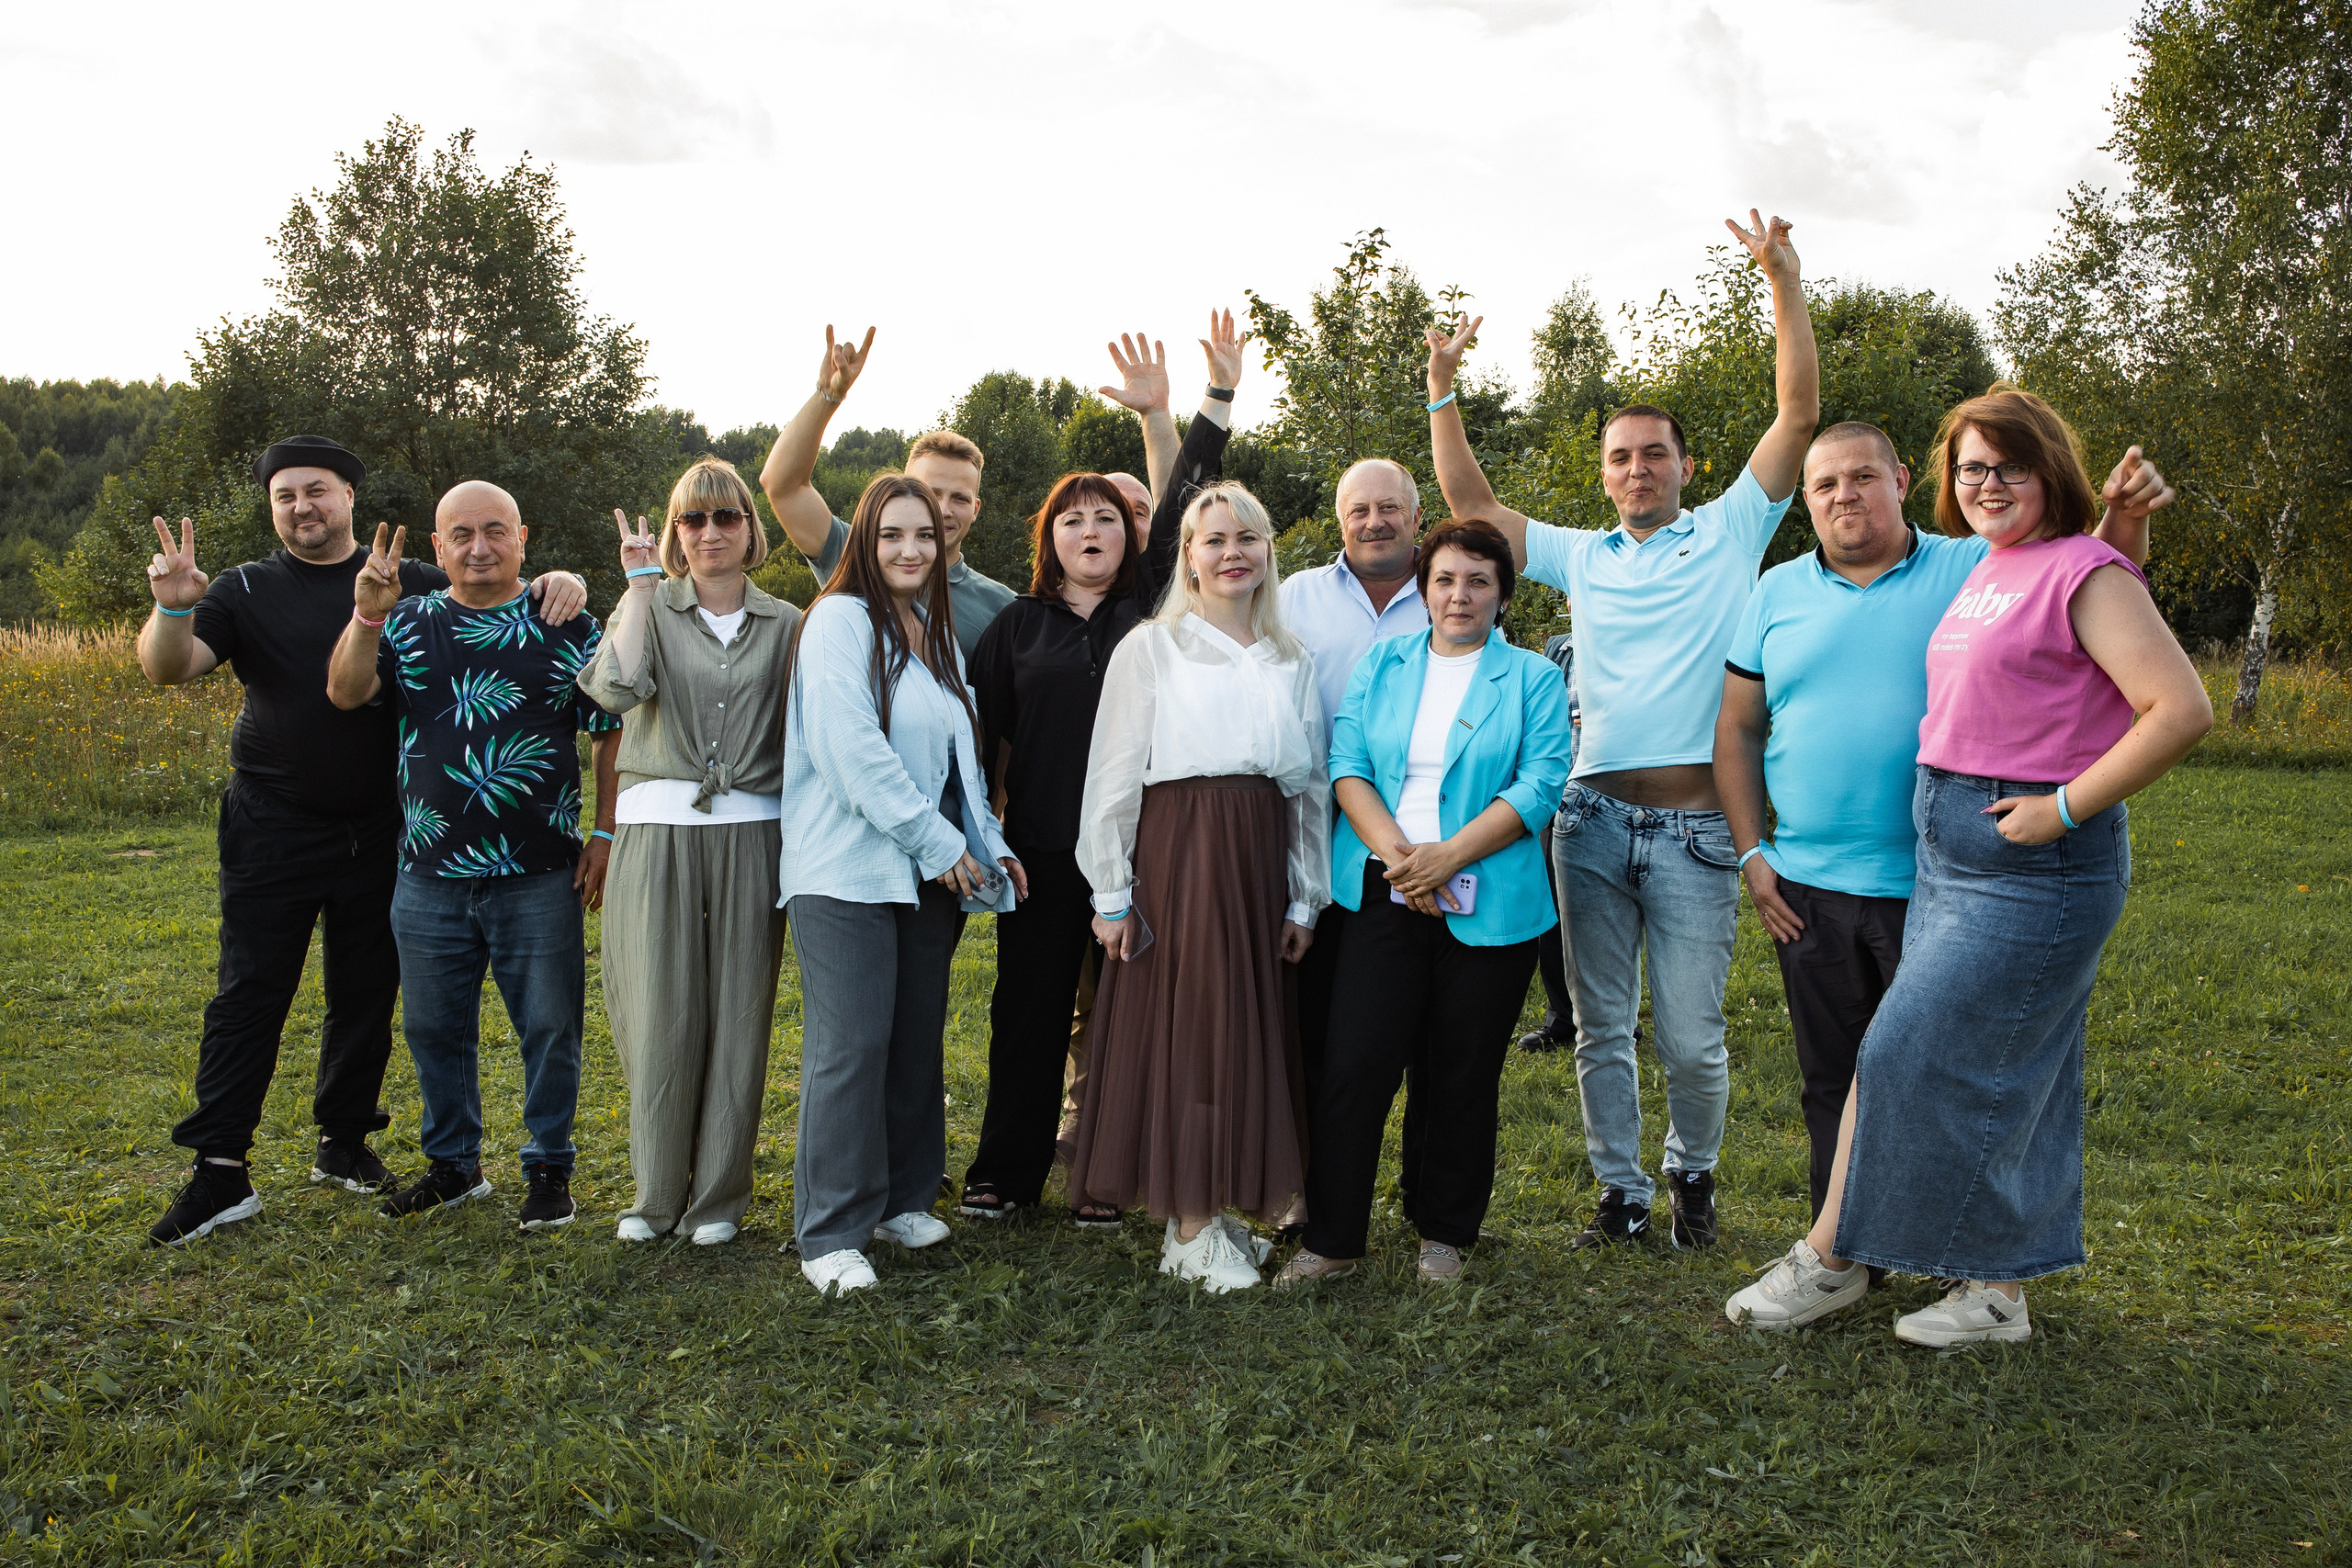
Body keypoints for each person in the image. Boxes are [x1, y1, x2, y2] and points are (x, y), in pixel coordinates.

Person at [1725, 388, 2210, 1343]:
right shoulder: (1994, 563)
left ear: (2049, 469)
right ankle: (1986, 1287)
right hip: (1950, 849)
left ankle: (1835, 1260)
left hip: (2031, 857)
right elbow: (2066, 626)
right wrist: (2121, 526)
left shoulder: (2072, 564)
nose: (1988, 483)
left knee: (1899, 1050)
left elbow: (2178, 707)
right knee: (1988, 1064)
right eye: (1973, 467)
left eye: (2009, 466)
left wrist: (2062, 807)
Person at [1427, 210, 1821, 1253]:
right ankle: (1621, 1193)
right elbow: (1472, 504)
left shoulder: (1731, 529)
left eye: (1654, 454)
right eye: (1620, 458)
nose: (1637, 469)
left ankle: (1692, 1174)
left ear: (1685, 465)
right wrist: (1442, 388)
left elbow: (1797, 412)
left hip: (1698, 831)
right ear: (1603, 475)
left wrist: (1781, 280)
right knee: (1600, 1028)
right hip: (1590, 825)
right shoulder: (1582, 554)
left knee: (1691, 1036)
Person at [135, 434, 586, 1247]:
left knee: (370, 994)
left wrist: (565, 580)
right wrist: (172, 606)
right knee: (252, 991)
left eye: (317, 489)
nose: (301, 506)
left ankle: (345, 1141)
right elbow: (170, 668)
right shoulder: (248, 587)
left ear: (349, 496)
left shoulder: (414, 577)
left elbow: (497, 581)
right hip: (277, 825)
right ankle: (221, 1167)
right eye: (285, 495)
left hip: (385, 830)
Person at [960, 314, 1247, 1224]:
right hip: (1044, 853)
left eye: (1107, 518)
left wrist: (1209, 400)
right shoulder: (1016, 628)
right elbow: (979, 744)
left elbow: (1189, 494)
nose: (1091, 530)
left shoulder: (1155, 610)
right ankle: (1005, 1172)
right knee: (1030, 1015)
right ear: (1049, 538)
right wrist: (986, 836)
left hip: (1145, 850)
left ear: (1132, 537)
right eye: (1071, 519)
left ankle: (1111, 1178)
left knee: (1132, 1018)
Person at [1275, 520, 1573, 1288]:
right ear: (1424, 588)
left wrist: (1450, 856)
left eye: (1478, 580)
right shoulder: (1385, 663)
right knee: (1355, 1065)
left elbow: (1541, 781)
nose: (1459, 594)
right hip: (1382, 891)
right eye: (1444, 579)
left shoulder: (1533, 677)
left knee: (1461, 1073)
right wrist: (1404, 861)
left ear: (1502, 594)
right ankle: (1334, 1237)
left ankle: (1443, 1230)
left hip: (1490, 900)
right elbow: (1346, 765)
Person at [325, 484, 621, 1231]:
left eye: (495, 531)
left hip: (540, 871)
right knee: (433, 1029)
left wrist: (605, 832)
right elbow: (345, 691)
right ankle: (454, 1165)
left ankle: (549, 1168)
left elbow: (607, 730)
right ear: (438, 546)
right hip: (428, 872)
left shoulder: (567, 622)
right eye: (461, 534)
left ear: (523, 538)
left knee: (550, 1028)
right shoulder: (406, 620)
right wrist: (365, 614)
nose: (479, 547)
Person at [773, 452, 1025, 1298]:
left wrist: (988, 842)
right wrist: (939, 844)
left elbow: (961, 760)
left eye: (924, 534)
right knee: (851, 1045)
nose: (912, 548)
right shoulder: (840, 620)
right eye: (892, 534)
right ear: (865, 540)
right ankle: (831, 1232)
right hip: (845, 870)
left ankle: (902, 1199)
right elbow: (851, 750)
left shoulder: (935, 631)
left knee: (914, 1037)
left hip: (928, 875)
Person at [1069, 479, 1329, 1293]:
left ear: (1268, 552)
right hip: (1184, 848)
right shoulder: (1153, 646)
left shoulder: (1291, 657)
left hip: (1259, 852)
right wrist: (1112, 892)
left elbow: (1309, 787)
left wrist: (1304, 894)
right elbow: (1112, 775)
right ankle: (1187, 1226)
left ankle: (1212, 1205)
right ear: (1188, 555)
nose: (1232, 553)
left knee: (1244, 1028)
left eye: (1247, 538)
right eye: (1214, 539)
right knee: (1192, 1028)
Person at [578, 458, 801, 1247]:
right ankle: (655, 1195)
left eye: (726, 516)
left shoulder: (788, 622)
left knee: (740, 1012)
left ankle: (717, 1201)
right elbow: (615, 690)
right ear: (676, 532)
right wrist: (639, 590)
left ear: (750, 527)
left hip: (753, 832)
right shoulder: (648, 604)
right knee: (659, 1010)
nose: (710, 532)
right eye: (693, 519)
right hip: (656, 831)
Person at [1278, 454, 1433, 1206]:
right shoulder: (1295, 597)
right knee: (1317, 1020)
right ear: (1339, 522)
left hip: (1428, 837)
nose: (1375, 522)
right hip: (1316, 825)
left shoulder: (1449, 590)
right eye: (1359, 511)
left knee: (1423, 1029)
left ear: (1416, 515)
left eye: (1389, 507)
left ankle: (1423, 1189)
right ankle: (1312, 1188)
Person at [760, 328, 1015, 661]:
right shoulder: (856, 554)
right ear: (904, 491)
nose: (944, 509)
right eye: (930, 494)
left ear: (976, 508)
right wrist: (828, 396)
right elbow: (783, 486)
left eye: (960, 498)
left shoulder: (1002, 607)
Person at [1520, 626, 1582, 1054]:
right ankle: (1562, 1018)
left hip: (1609, 800)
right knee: (1553, 915)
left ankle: (1616, 1020)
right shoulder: (1561, 648)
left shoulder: (1628, 641)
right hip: (1557, 800)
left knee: (1600, 919)